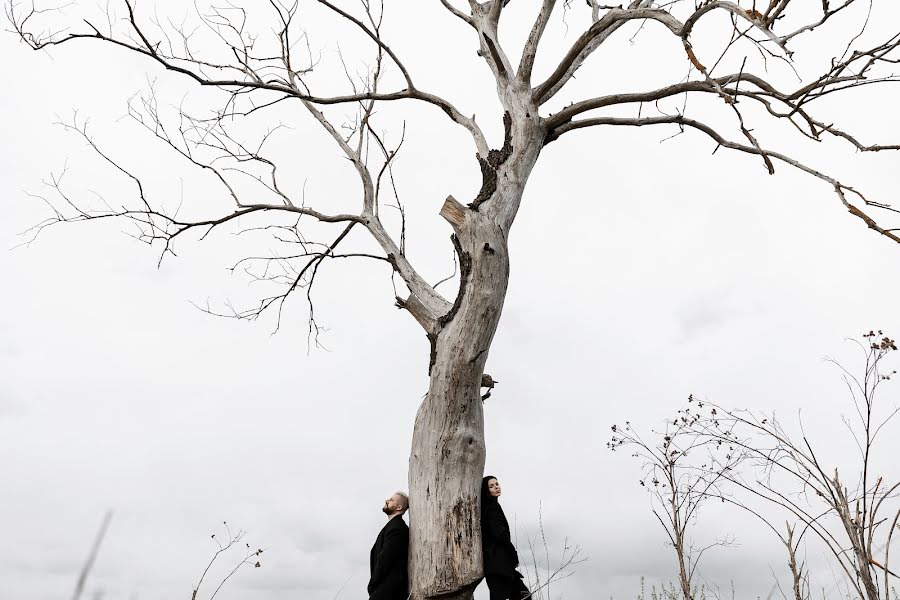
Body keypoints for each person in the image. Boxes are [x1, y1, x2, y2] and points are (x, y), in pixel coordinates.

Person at [481, 476, 531, 600]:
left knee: (524, 595)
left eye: (497, 484)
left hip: (502, 565)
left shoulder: (493, 506)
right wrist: (513, 552)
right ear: (486, 491)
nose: (496, 487)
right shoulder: (491, 508)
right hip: (496, 565)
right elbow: (499, 534)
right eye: (491, 486)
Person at [368, 491, 410, 600]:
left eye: (391, 500)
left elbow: (385, 560)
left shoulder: (397, 528)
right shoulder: (392, 527)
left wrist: (372, 585)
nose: (387, 501)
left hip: (388, 592)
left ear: (399, 507)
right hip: (383, 590)